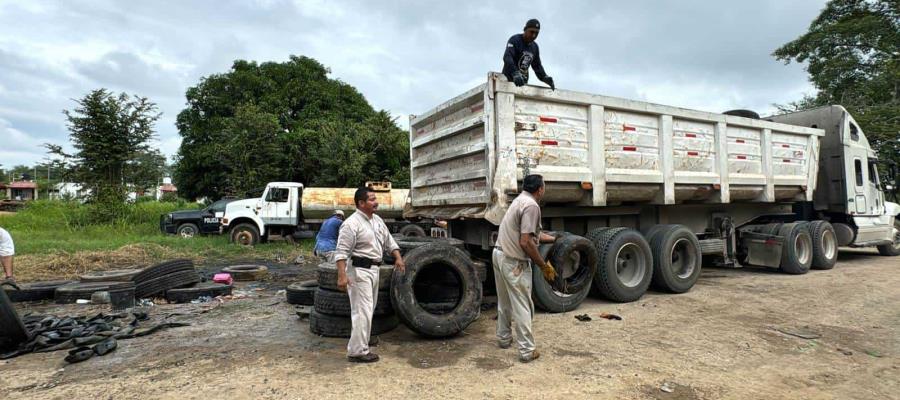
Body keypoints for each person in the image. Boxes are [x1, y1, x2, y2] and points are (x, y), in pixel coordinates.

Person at [334, 187, 405, 363]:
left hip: (374, 270)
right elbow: (341, 252)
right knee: (362, 311)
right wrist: (342, 276)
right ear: (361, 203)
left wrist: (398, 257)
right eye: (372, 199)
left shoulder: (377, 220)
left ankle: (362, 341)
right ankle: (357, 351)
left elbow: (389, 241)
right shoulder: (351, 224)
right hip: (359, 271)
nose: (376, 202)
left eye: (375, 199)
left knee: (368, 309)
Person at [493, 174, 556, 363]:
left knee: (504, 301)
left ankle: (504, 338)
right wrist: (543, 266)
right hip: (514, 261)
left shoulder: (520, 201)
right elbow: (525, 241)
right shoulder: (532, 206)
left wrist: (553, 238)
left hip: (499, 253)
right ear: (540, 189)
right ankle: (527, 350)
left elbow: (529, 234)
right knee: (523, 305)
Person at [502, 18, 555, 90]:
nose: (534, 35)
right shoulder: (515, 40)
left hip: (523, 84)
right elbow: (507, 57)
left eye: (536, 33)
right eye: (532, 32)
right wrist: (515, 73)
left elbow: (537, 66)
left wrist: (544, 77)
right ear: (525, 29)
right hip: (507, 82)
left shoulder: (535, 47)